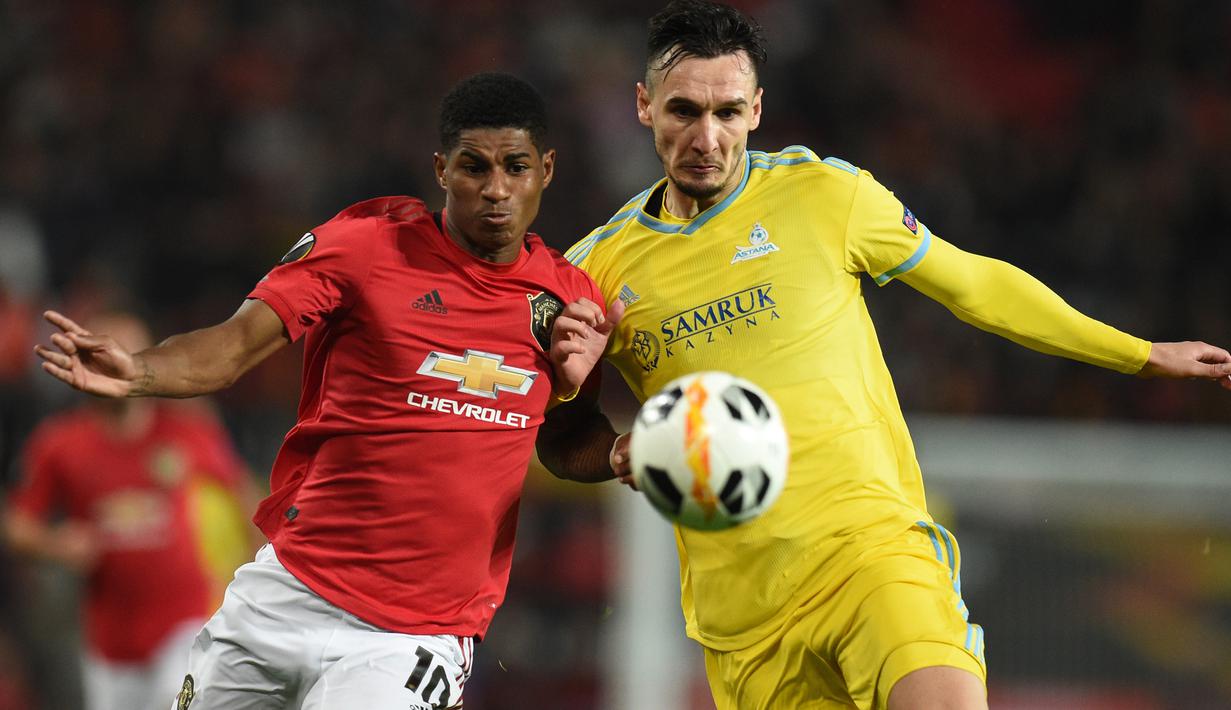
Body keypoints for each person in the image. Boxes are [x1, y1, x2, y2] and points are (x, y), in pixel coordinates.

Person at [536, 2, 1231, 709]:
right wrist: (618, 450)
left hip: (873, 555)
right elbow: (559, 438)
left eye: (728, 112)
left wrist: (1138, 354)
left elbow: (974, 285)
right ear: (643, 105)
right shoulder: (594, 272)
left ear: (756, 110)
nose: (706, 137)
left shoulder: (824, 196)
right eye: (684, 111)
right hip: (744, 624)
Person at [34, 72, 617, 710]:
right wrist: (140, 371)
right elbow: (234, 345)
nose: (496, 189)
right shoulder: (367, 245)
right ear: (441, 170)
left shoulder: (570, 300)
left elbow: (568, 444)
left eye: (516, 167)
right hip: (288, 590)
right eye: (474, 167)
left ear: (546, 169)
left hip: (412, 636)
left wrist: (608, 435)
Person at [5, 311, 256, 710]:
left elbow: (245, 498)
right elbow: (16, 525)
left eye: (131, 353)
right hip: (110, 642)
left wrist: (256, 579)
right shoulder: (61, 444)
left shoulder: (186, 430)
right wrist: (54, 544)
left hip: (185, 624)